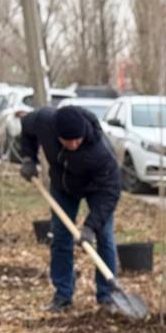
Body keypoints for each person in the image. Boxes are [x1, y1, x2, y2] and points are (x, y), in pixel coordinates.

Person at [19, 103, 121, 313]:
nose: (73, 144)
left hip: (97, 190)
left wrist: (90, 226)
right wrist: (29, 158)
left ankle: (107, 296)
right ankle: (63, 295)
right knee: (61, 236)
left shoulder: (100, 151)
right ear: (56, 133)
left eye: (78, 140)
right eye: (67, 140)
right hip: (63, 187)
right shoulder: (44, 121)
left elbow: (110, 192)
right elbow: (25, 127)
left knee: (104, 236)